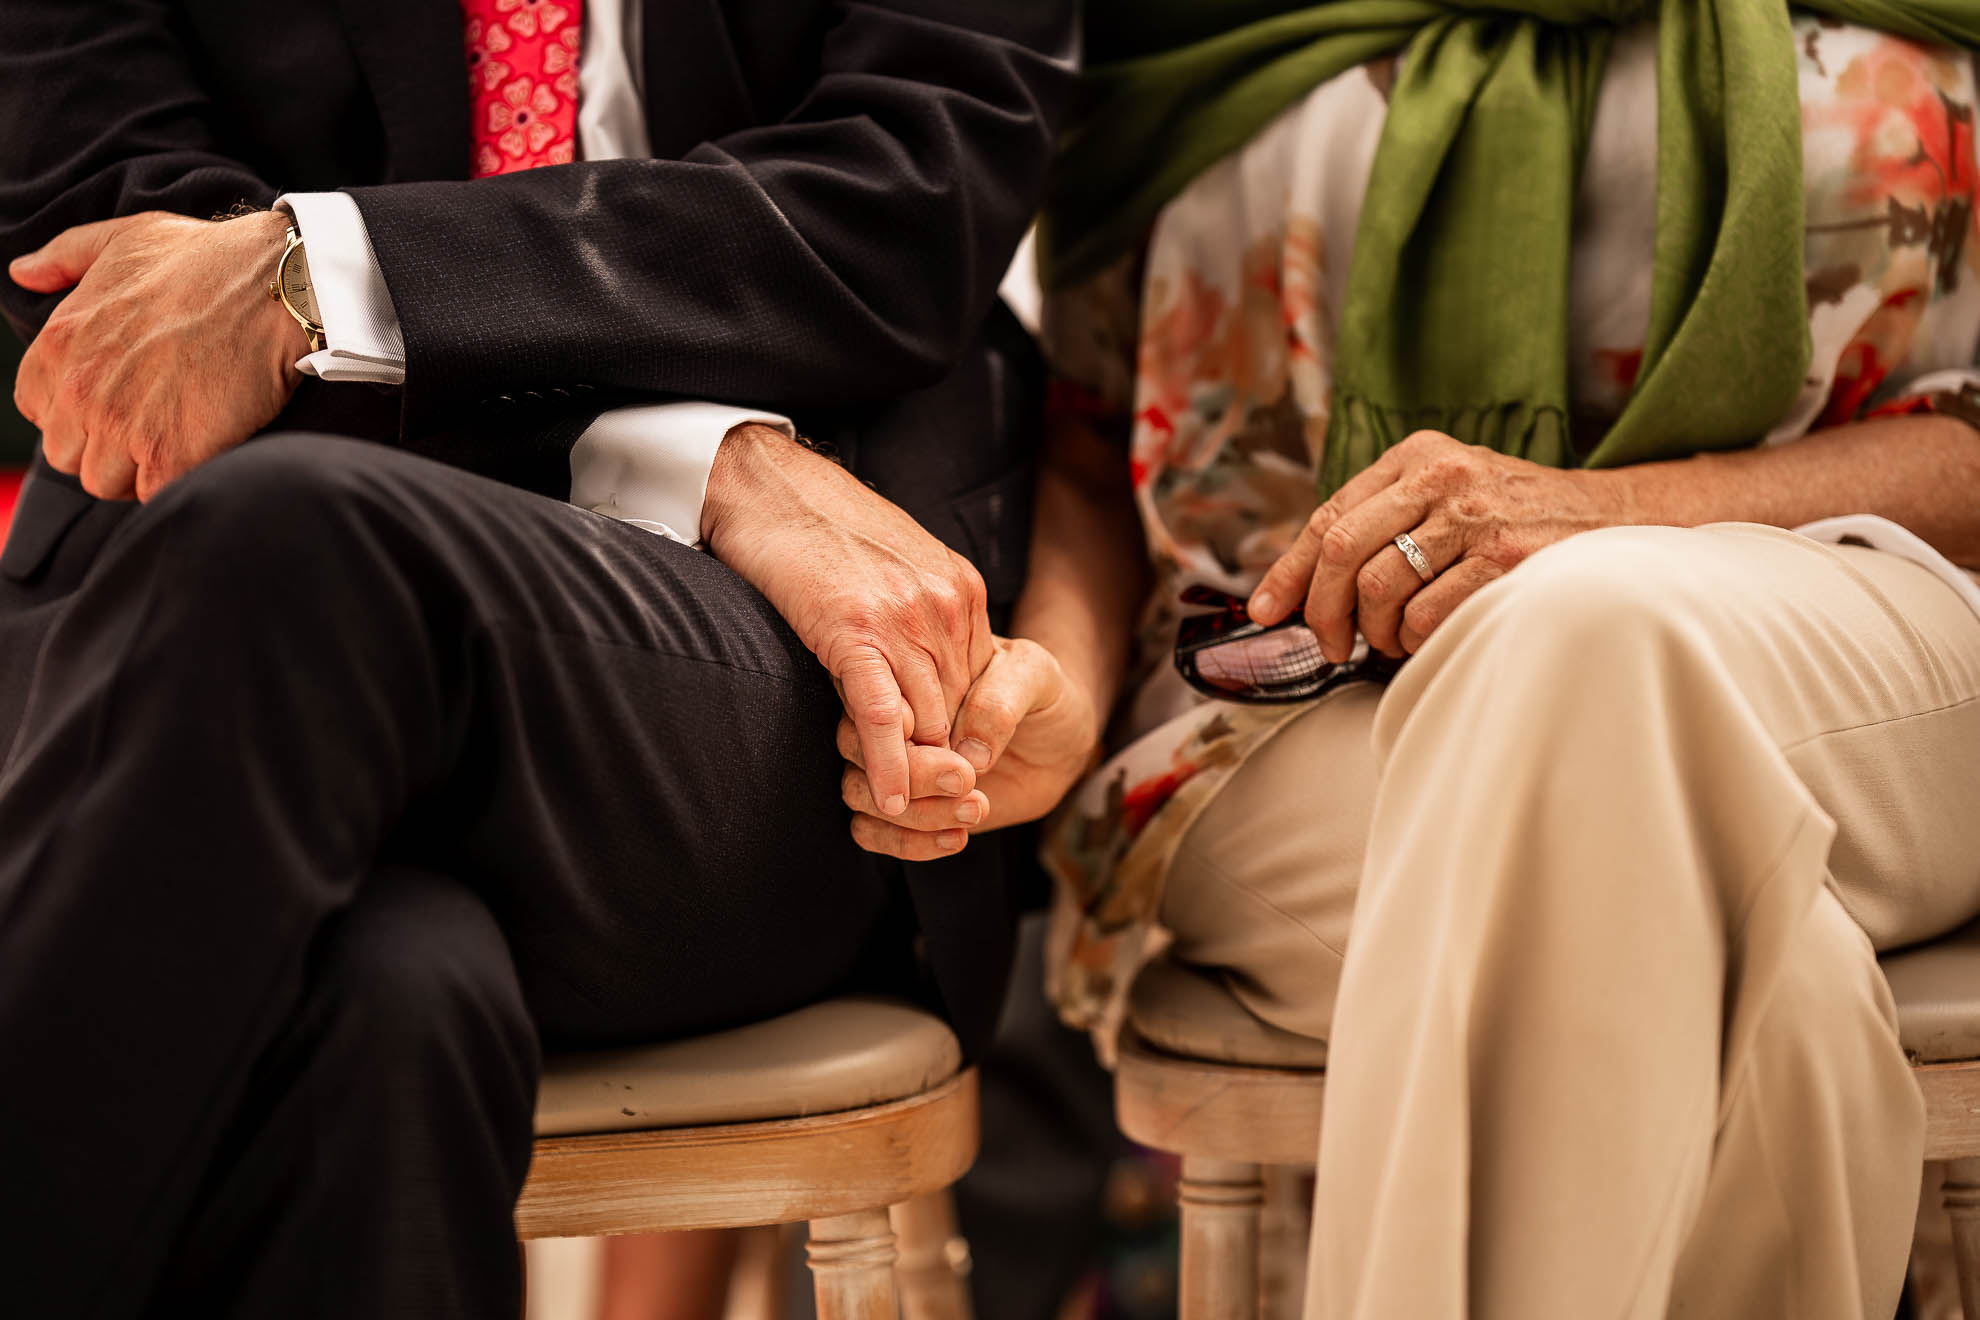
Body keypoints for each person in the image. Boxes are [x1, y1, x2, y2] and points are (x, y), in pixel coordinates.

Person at [837, 3, 1980, 1316]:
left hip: (1869, 630)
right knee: (1777, 987)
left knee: (1580, 626)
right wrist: (1060, 688)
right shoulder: (1185, 14)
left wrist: (1600, 517)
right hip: (1275, 718)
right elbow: (1098, 444)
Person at [0, 2, 1073, 1315]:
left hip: (741, 675)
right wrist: (715, 460)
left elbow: (910, 197)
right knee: (389, 996)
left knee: (294, 546)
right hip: (211, 685)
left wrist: (326, 281)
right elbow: (127, 311)